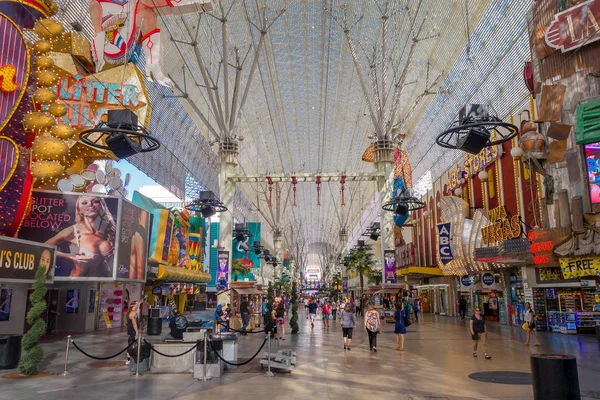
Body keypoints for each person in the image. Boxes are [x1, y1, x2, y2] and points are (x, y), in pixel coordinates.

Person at [45, 195, 116, 277]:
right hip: (77, 284)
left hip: (103, 283)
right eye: (84, 203)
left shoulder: (110, 229)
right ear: (79, 210)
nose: (90, 205)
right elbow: (43, 248)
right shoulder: (72, 231)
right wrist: (69, 256)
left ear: (102, 205)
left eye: (95, 201)